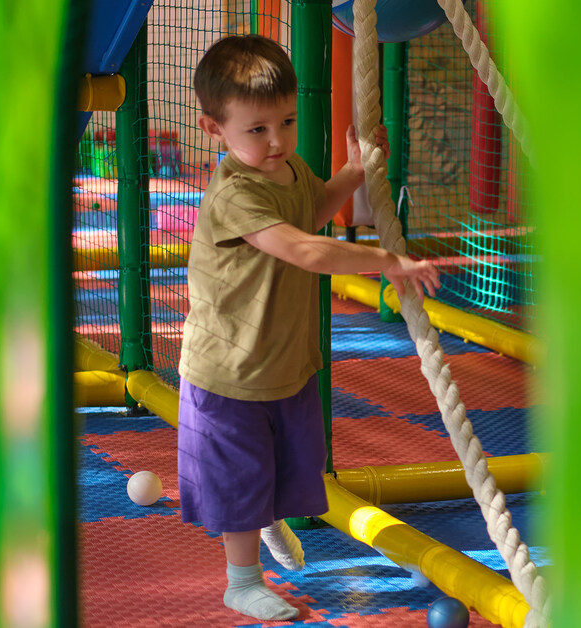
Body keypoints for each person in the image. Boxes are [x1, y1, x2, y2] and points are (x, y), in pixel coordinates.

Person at [178, 34, 440, 622]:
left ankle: (267, 519)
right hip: (230, 370)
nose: (277, 140)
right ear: (213, 129)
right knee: (241, 477)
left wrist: (352, 171)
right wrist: (386, 262)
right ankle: (241, 580)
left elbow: (312, 210)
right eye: (257, 129)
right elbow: (307, 250)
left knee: (290, 464)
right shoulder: (236, 195)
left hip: (285, 358)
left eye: (287, 122)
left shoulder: (288, 168)